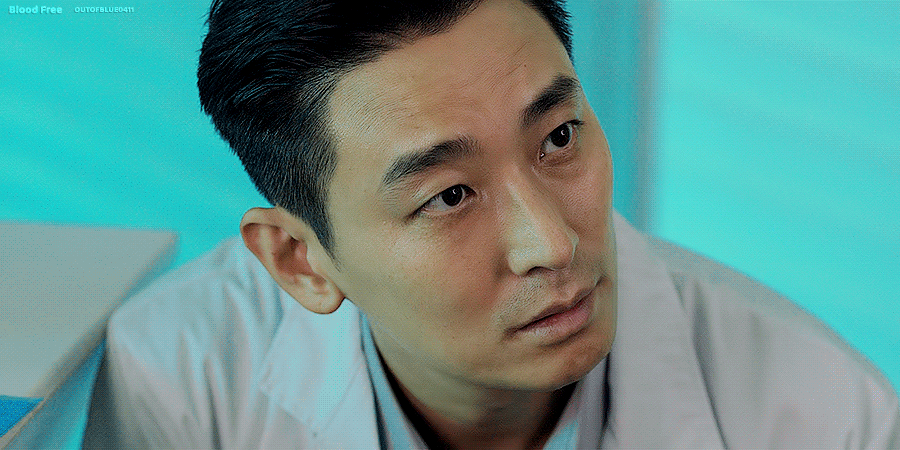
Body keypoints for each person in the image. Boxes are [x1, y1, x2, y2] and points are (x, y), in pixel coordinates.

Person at [86, 0, 899, 448]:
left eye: (558, 138)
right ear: (300, 261)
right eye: (449, 196)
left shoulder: (828, 417)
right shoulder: (180, 387)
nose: (554, 244)